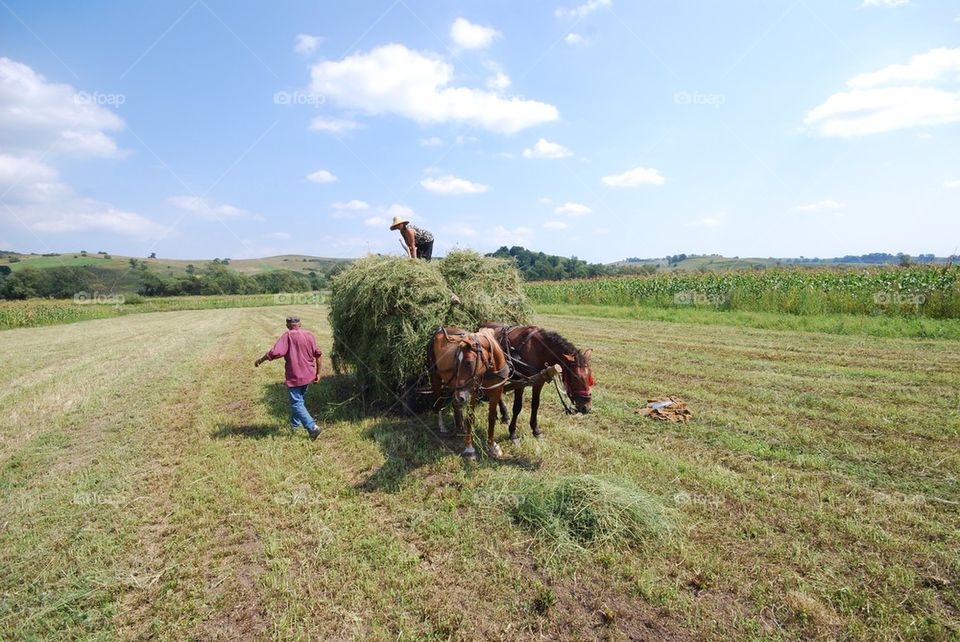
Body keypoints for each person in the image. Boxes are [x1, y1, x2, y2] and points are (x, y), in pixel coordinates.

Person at [255, 315, 323, 440]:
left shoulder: (288, 336)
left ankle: (313, 427)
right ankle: (295, 425)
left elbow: (275, 352)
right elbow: (318, 354)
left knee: (296, 403)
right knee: (299, 400)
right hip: (308, 374)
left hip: (295, 376)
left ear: (287, 326)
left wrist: (261, 360)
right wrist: (318, 373)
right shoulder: (309, 335)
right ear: (300, 324)